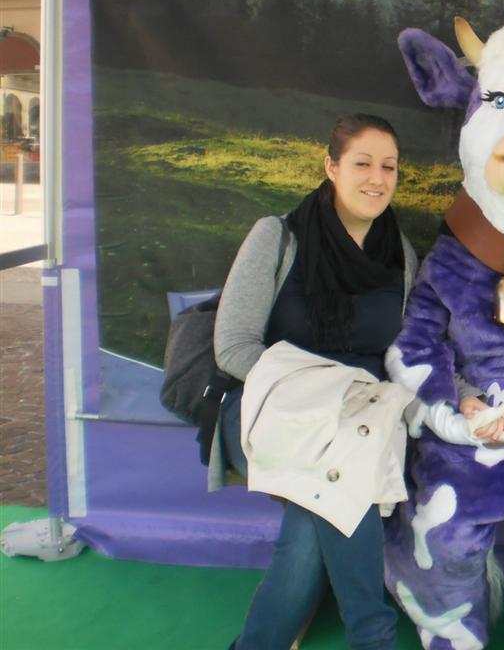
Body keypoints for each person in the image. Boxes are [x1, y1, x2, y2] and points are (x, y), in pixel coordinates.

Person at [212, 114, 418, 650]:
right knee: (341, 476)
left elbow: (405, 355)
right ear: (331, 166)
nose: (377, 178)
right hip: (272, 411)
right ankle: (373, 637)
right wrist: (329, 393)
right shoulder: (278, 237)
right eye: (362, 163)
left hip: (361, 421)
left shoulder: (401, 256)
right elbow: (233, 347)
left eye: (389, 167)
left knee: (318, 506)